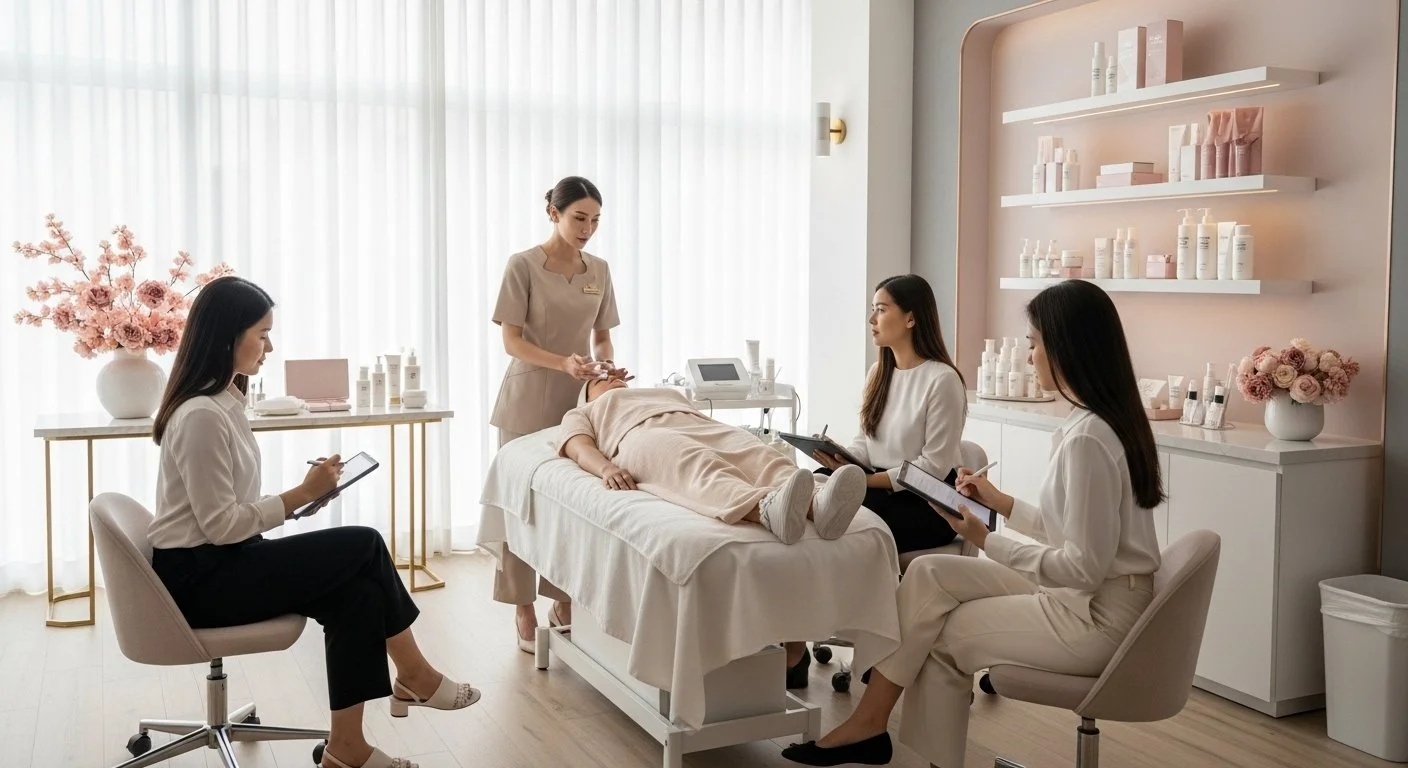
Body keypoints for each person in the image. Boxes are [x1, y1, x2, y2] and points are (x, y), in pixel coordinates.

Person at [782, 279, 1164, 767]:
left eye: (1034, 344)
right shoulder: (1094, 424)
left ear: (1065, 346)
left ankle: (896, 743)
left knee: (937, 635)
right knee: (927, 575)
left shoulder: (1088, 438)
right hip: (1089, 594)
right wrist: (997, 502)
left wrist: (985, 539)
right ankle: (870, 726)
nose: (1030, 357)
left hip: (1092, 615)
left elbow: (1083, 568)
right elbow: (1067, 529)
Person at [148, 276, 479, 768]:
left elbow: (228, 508)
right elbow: (218, 527)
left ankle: (347, 750)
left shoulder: (225, 403)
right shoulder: (201, 414)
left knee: (359, 596)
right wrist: (299, 493)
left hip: (225, 560)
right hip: (199, 579)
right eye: (261, 333)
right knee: (365, 542)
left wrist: (305, 501)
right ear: (227, 337)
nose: (270, 345)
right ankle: (415, 674)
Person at [559, 375, 868, 688]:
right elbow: (578, 447)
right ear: (587, 396)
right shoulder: (586, 412)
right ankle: (762, 508)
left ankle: (818, 505)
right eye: (599, 377)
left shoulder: (665, 393)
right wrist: (606, 469)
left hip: (700, 426)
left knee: (756, 453)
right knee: (695, 463)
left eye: (613, 373)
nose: (611, 375)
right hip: (641, 435)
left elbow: (708, 424)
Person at [490, 175, 626, 653]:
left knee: (571, 504)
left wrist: (602, 363)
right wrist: (562, 361)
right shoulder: (523, 265)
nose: (587, 228)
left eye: (594, 220)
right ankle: (522, 605)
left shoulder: (600, 270)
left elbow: (602, 334)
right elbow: (512, 340)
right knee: (521, 503)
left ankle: (563, 596)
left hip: (577, 401)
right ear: (554, 212)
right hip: (528, 396)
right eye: (578, 218)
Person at [811, 274, 968, 554]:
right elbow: (865, 443)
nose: (872, 320)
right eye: (872, 310)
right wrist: (840, 459)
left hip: (928, 501)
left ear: (911, 318)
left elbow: (933, 468)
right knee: (821, 475)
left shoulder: (942, 380)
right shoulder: (878, 373)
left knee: (849, 510)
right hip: (879, 485)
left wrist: (866, 481)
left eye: (881, 310)